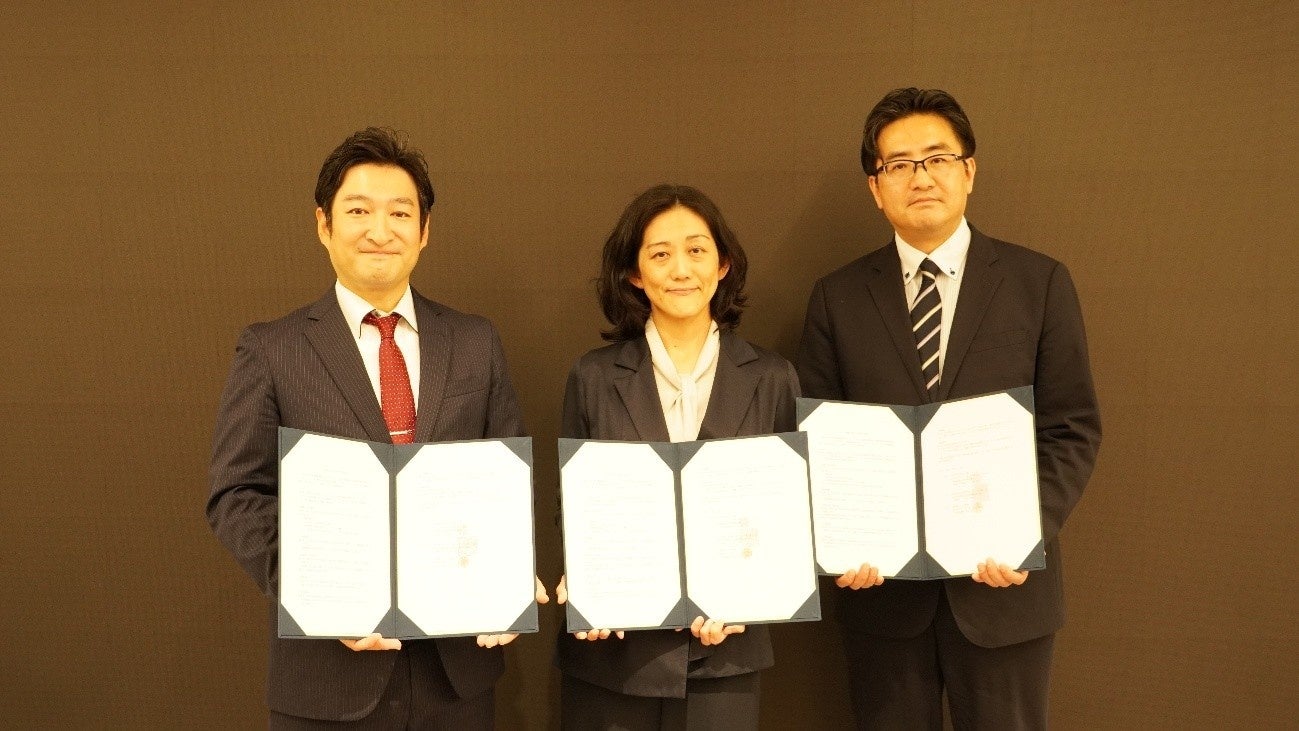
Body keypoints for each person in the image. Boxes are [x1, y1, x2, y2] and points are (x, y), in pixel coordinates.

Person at [207, 127, 542, 728]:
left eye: (400, 213)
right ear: (324, 224)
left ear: (424, 230)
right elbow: (236, 494)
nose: (380, 230)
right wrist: (316, 593)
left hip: (457, 676)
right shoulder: (272, 349)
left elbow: (506, 483)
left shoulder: (475, 341)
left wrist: (509, 573)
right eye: (358, 211)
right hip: (326, 677)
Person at [797, 88, 1102, 729]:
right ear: (875, 187)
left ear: (969, 171)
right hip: (882, 596)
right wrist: (841, 538)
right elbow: (817, 443)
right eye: (899, 164)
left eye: (937, 158)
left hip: (1006, 595)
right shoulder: (836, 297)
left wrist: (1026, 532)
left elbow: (1071, 428)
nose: (921, 177)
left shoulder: (1039, 282)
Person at [553, 184, 799, 729]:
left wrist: (752, 596)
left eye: (696, 250)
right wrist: (588, 582)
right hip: (613, 657)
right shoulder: (593, 376)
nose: (681, 269)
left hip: (727, 654)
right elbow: (572, 506)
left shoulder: (772, 377)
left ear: (723, 264)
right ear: (635, 274)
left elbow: (786, 516)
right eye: (660, 254)